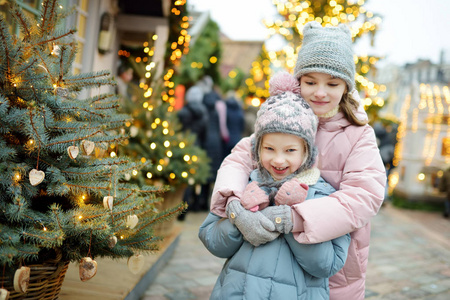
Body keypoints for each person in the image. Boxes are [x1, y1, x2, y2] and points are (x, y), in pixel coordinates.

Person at [208, 21, 386, 300]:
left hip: (329, 266)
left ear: (346, 87)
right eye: (310, 82)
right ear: (297, 81)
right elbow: (240, 158)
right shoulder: (284, 117)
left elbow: (365, 195)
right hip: (267, 264)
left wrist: (294, 218)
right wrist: (234, 204)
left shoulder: (358, 134)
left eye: (332, 83)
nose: (320, 92)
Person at [199, 72, 351, 299]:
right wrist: (240, 216)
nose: (278, 160)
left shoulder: (324, 196)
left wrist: (291, 218)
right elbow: (212, 239)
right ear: (257, 150)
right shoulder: (245, 184)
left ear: (307, 153)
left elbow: (326, 265)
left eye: (290, 150)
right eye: (269, 149)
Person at [177, 85, 209, 218]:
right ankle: (193, 204)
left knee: (182, 178)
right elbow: (204, 134)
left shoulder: (182, 112)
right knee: (194, 178)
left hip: (183, 145)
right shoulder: (203, 113)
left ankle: (182, 208)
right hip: (197, 146)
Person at [199, 75, 228, 211]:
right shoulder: (219, 104)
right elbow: (223, 127)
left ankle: (199, 201)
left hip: (205, 140)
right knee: (214, 173)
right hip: (216, 141)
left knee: (203, 172)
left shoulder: (202, 104)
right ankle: (210, 203)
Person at [223, 90, 245, 159]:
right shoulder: (239, 110)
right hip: (237, 139)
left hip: (226, 140)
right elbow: (242, 126)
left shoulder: (225, 110)